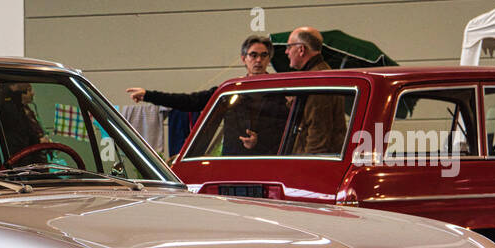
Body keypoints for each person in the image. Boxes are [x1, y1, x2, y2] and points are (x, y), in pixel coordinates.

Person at [126, 35, 286, 155]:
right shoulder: (230, 90)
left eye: (263, 55)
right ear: (244, 59)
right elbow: (190, 101)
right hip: (233, 160)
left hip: (269, 159)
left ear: (269, 58)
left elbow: (285, 128)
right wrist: (148, 95)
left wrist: (260, 141)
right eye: (253, 55)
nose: (258, 60)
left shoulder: (281, 91)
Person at [284, 26, 347, 155]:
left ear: (301, 49)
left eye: (289, 47)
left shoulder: (317, 82)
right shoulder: (320, 75)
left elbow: (318, 131)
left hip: (314, 161)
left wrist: (307, 167)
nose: (286, 52)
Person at [0, 82, 48, 157]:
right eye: (29, 89)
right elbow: (16, 135)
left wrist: (37, 141)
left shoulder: (15, 100)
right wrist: (38, 142)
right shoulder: (3, 101)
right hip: (15, 158)